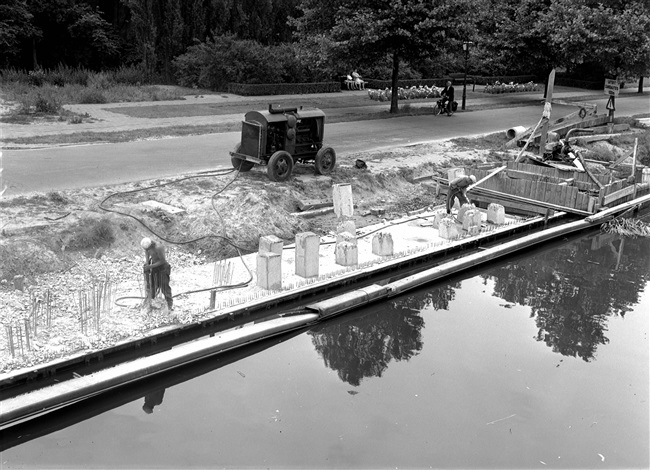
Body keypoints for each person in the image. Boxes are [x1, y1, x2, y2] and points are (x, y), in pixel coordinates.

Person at [141, 237, 173, 310]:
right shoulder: (148, 247)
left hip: (163, 269)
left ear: (151, 245)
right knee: (152, 287)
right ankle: (148, 305)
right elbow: (147, 252)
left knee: (165, 288)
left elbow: (162, 261)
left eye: (148, 249)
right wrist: (147, 263)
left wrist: (150, 266)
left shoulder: (158, 247)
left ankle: (169, 306)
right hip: (155, 268)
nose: (147, 250)